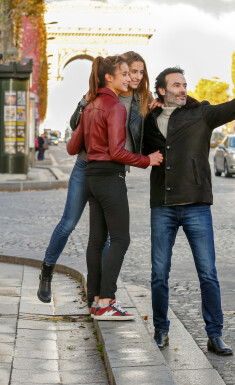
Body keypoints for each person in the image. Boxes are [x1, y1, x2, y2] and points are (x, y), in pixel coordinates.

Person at [143, 64, 235, 354]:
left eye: (184, 85)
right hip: (163, 204)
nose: (183, 89)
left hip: (196, 203)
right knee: (159, 274)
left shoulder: (201, 113)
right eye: (176, 85)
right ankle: (161, 329)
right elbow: (129, 143)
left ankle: (215, 334)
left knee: (207, 273)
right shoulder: (148, 120)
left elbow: (231, 108)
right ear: (162, 90)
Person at [37, 51, 153, 310]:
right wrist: (147, 160)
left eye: (139, 72)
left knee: (104, 238)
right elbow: (76, 130)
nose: (134, 77)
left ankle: (98, 296)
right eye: (129, 72)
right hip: (87, 164)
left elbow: (148, 131)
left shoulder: (142, 100)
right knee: (69, 223)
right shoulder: (97, 97)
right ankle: (48, 273)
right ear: (115, 74)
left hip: (109, 168)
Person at [67, 55, 163, 320]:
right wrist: (148, 160)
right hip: (110, 177)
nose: (128, 79)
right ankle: (107, 300)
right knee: (121, 239)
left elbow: (72, 147)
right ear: (109, 77)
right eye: (123, 74)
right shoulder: (116, 108)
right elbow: (118, 152)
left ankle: (95, 300)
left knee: (96, 241)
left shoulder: (91, 105)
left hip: (91, 178)